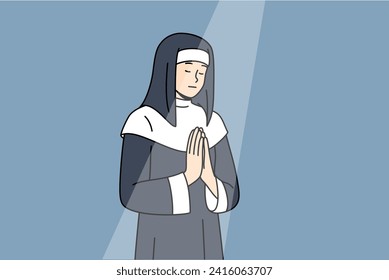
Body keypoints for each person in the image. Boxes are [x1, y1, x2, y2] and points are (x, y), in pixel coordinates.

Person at [119, 33, 239, 259]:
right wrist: (187, 178)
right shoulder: (144, 121)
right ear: (167, 69)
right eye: (187, 69)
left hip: (207, 240)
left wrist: (209, 179)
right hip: (159, 242)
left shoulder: (212, 123)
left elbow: (233, 193)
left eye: (201, 72)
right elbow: (130, 194)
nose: (195, 78)